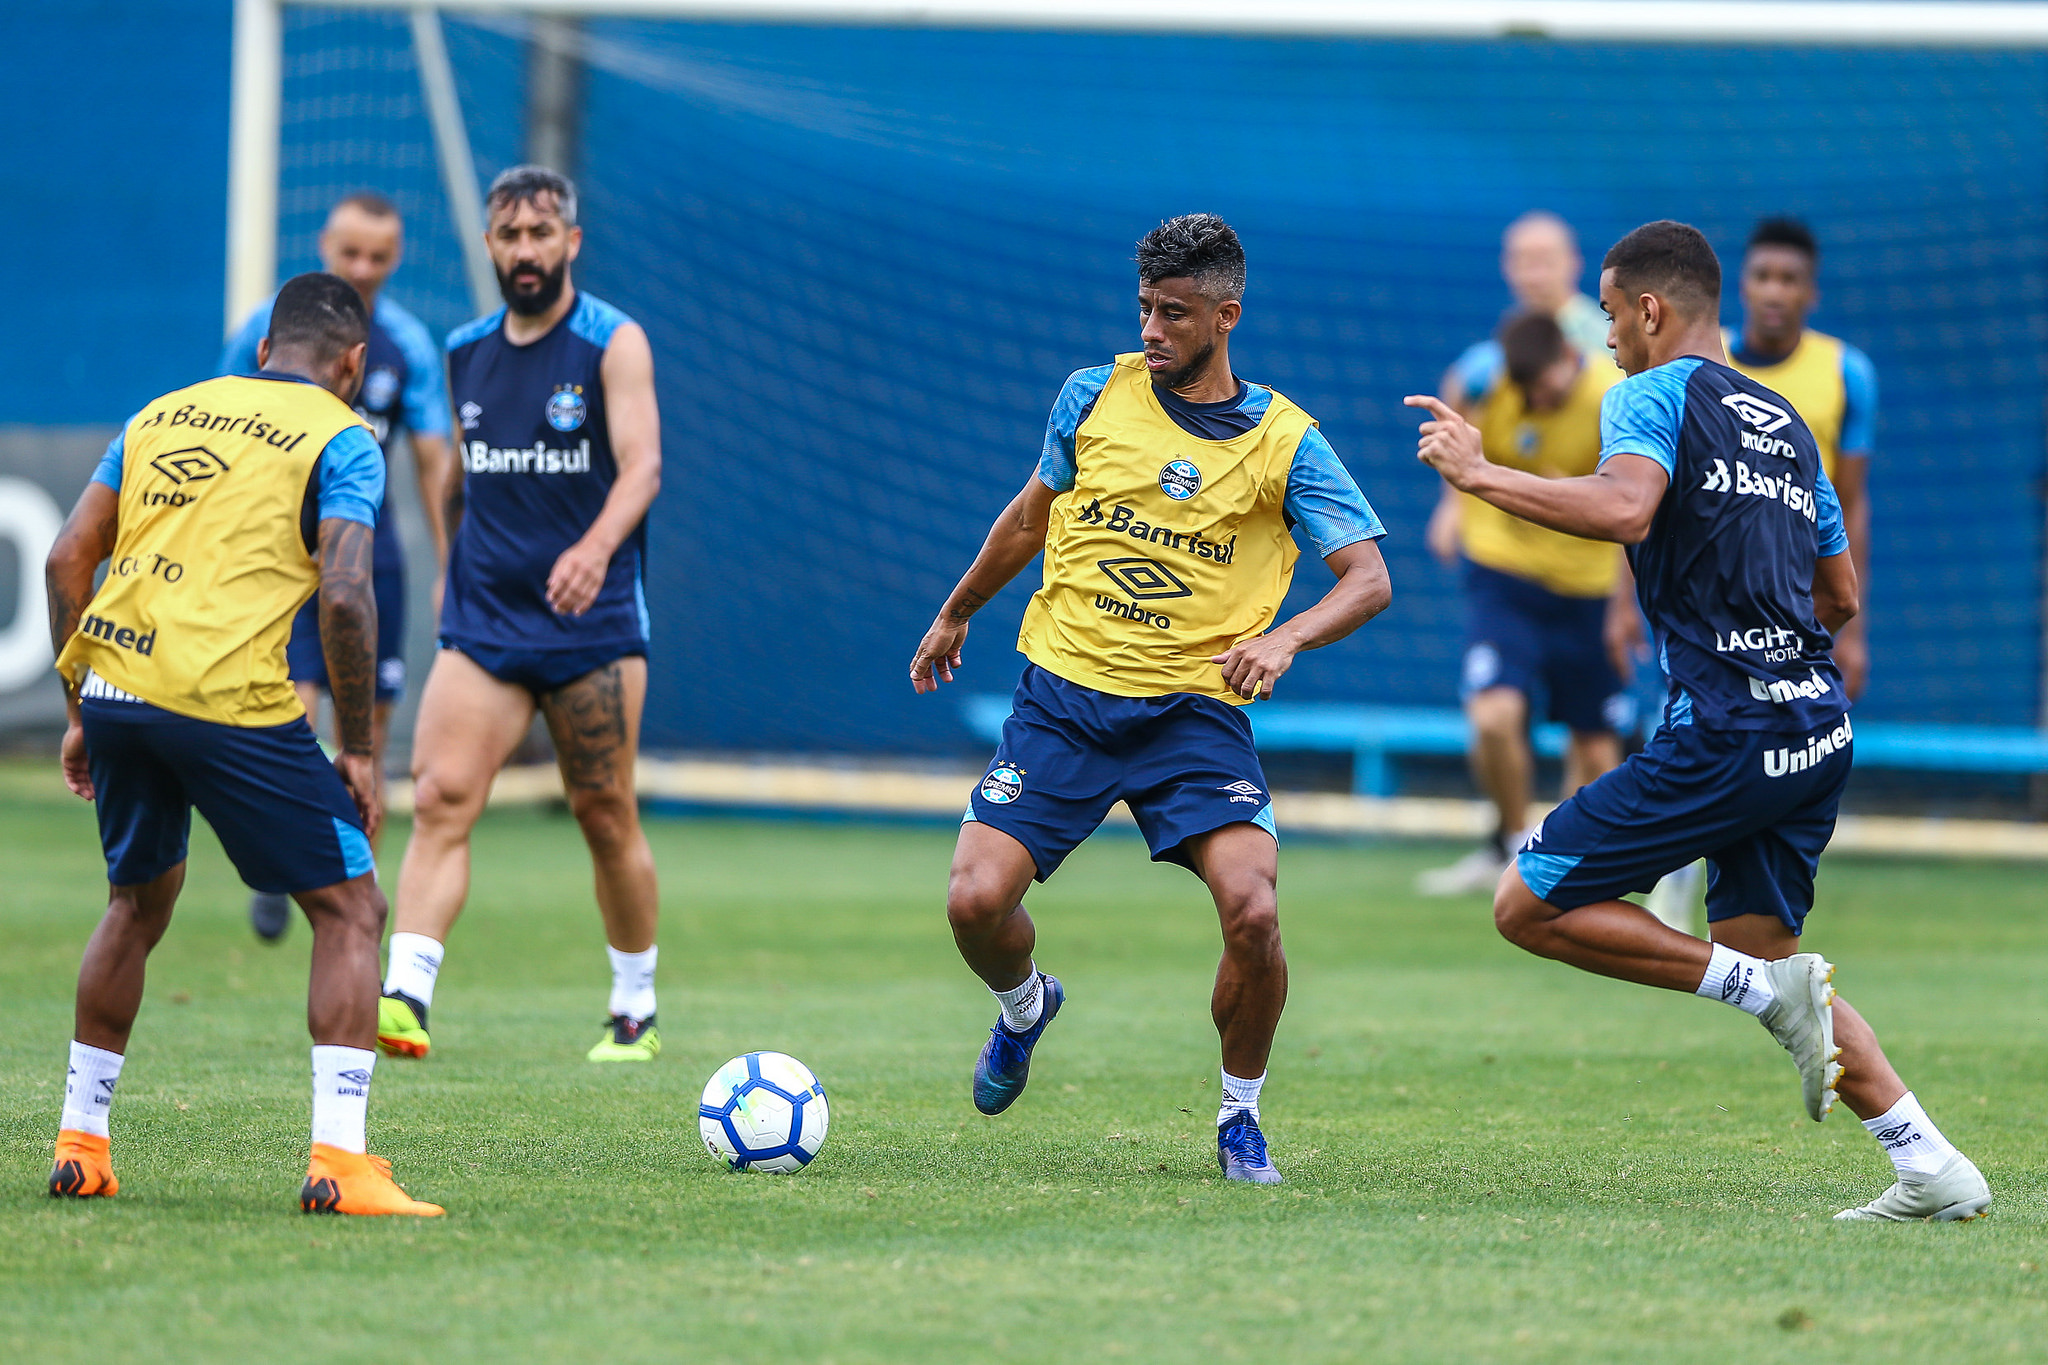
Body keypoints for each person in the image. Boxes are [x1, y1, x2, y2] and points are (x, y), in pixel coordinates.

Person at [1407, 220, 1989, 1222]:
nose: (1607, 343)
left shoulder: (1649, 392)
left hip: (1726, 728)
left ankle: (1768, 999)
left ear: (1646, 310)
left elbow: (1625, 510)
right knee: (1762, 955)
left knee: (1526, 904)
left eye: (1607, 319)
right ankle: (1929, 1163)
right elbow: (1839, 596)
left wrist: (1478, 476)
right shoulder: (1784, 423)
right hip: (1813, 724)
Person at [909, 214, 1392, 1184]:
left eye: (1173, 314)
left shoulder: (1284, 442)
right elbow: (1027, 516)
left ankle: (1238, 1118)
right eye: (1142, 309)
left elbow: (1367, 578)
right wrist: (956, 611)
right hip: (1064, 701)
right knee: (972, 902)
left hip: (1190, 717)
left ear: (1226, 315)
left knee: (1252, 912)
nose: (1151, 330)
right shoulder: (1091, 397)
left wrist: (1282, 637)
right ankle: (1024, 1007)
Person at [43, 272, 441, 1216]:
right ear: (352, 364)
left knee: (135, 905)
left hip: (117, 684)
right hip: (224, 695)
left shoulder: (158, 415)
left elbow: (68, 557)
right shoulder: (344, 435)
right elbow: (346, 592)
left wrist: (78, 709)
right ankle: (341, 1165)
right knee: (351, 907)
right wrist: (358, 748)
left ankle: (81, 1143)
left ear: (264, 350)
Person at [376, 166, 664, 1065]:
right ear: (491, 244)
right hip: (487, 618)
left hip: (591, 626)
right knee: (438, 796)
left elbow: (643, 467)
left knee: (603, 810)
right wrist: (446, 561)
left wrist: (593, 546)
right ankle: (404, 995)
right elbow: (454, 475)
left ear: (571, 243)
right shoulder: (465, 348)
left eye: (543, 234)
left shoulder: (611, 342)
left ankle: (634, 1004)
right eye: (511, 235)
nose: (526, 250)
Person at [221, 192, 453, 942]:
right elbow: (218, 428)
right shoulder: (265, 330)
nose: (362, 268)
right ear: (325, 243)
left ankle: (358, 897)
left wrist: (451, 564)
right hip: (285, 558)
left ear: (396, 258)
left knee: (370, 738)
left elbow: (431, 455)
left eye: (378, 257)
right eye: (350, 253)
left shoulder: (406, 343)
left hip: (370, 556)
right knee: (292, 713)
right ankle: (278, 862)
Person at [1418, 312, 1628, 895]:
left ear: (1569, 356)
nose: (1537, 399)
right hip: (1504, 570)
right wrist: (1449, 504)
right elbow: (1454, 405)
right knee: (1493, 714)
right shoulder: (1490, 378)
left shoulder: (1611, 399)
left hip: (1589, 584)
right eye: (1527, 388)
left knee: (1594, 741)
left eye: (1547, 386)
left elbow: (1632, 503)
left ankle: (1564, 857)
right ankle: (1512, 846)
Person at [1724, 216, 1876, 698]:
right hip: (1712, 591)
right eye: (1762, 276)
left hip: (1802, 598)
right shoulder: (1700, 364)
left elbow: (1851, 505)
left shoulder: (1845, 373)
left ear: (1811, 293)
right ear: (1743, 285)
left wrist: (1852, 631)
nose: (1774, 291)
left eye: (1788, 280)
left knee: (1790, 746)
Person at [1439, 211, 1614, 410]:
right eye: (1524, 263)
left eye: (1546, 262)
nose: (1535, 277)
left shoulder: (1604, 336)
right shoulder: (1498, 347)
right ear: (1506, 267)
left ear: (1573, 262)